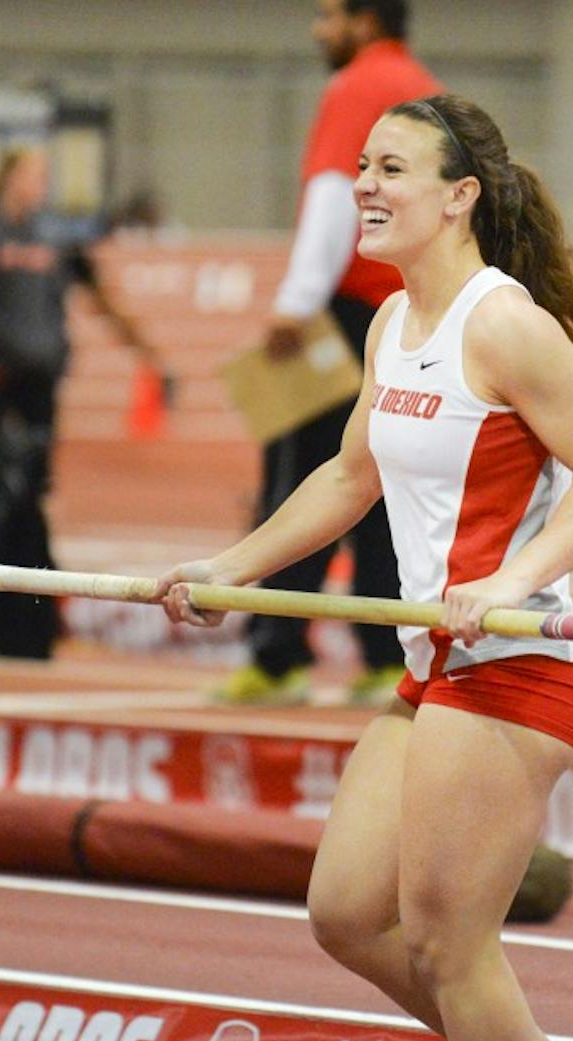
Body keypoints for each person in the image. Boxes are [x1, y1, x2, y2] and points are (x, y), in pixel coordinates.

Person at [161, 94, 573, 1041]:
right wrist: (229, 569)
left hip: (514, 672)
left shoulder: (505, 322)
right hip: (434, 670)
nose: (365, 188)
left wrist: (511, 586)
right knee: (345, 914)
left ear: (459, 196)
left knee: (446, 947)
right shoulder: (392, 321)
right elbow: (348, 479)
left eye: (391, 170)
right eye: (362, 169)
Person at [217, 0, 440, 706]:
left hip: (346, 315)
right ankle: (383, 657)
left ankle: (280, 656)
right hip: (408, 310)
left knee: (304, 480)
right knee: (383, 486)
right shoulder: (426, 90)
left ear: (365, 21)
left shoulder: (359, 87)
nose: (319, 30)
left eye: (329, 15)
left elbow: (334, 194)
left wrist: (296, 301)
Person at [0, 147, 169, 658]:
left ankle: (29, 625)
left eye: (45, 174)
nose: (39, 184)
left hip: (38, 387)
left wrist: (150, 357)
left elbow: (100, 288)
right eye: (32, 173)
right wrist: (23, 346)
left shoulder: (54, 239)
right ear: (7, 177)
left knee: (31, 494)